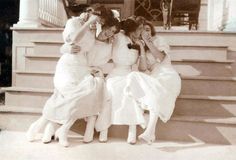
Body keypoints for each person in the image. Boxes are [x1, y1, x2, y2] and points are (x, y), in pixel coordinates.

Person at [26, 6, 120, 147]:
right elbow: (72, 40)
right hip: (68, 65)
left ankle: (55, 128)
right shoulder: (73, 22)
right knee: (69, 95)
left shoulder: (93, 29)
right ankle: (43, 125)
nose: (98, 22)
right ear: (90, 12)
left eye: (101, 20)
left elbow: (91, 50)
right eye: (99, 19)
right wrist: (65, 47)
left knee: (81, 94)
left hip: (82, 67)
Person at [124, 20, 181, 144]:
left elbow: (160, 57)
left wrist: (148, 42)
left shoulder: (159, 40)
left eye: (147, 29)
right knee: (133, 76)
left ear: (152, 31)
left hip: (167, 75)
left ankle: (149, 131)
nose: (145, 32)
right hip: (153, 77)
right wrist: (141, 48)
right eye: (141, 29)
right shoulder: (141, 45)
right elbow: (143, 68)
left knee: (155, 91)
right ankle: (150, 132)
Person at [95, 17, 146, 144]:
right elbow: (102, 32)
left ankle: (132, 128)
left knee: (130, 90)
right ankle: (104, 128)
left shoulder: (139, 42)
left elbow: (142, 67)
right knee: (110, 90)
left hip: (129, 72)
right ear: (132, 29)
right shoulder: (118, 36)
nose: (141, 31)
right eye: (139, 29)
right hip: (116, 72)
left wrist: (142, 48)